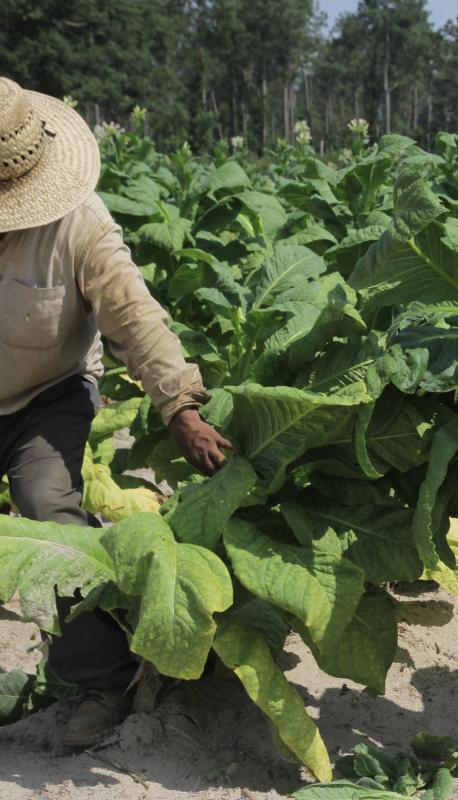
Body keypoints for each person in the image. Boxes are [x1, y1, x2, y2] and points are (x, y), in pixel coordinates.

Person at [0, 77, 230, 746]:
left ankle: (103, 678)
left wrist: (181, 406)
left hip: (48, 395)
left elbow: (135, 316)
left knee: (46, 512)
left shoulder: (78, 224)